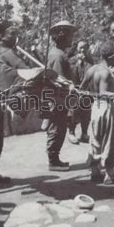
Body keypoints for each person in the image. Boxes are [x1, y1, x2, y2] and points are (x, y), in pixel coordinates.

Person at [0, 20, 28, 185]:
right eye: (12, 33)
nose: (15, 37)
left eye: (16, 33)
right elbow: (24, 70)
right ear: (1, 36)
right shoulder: (5, 53)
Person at [80, 40, 114, 184]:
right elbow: (103, 92)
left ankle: (95, 171)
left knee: (96, 140)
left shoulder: (92, 69)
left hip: (95, 109)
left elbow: (81, 89)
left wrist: (90, 95)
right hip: (106, 108)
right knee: (110, 141)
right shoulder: (105, 73)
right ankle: (109, 174)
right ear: (111, 56)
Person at [45, 20, 77, 171]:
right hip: (57, 98)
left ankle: (55, 158)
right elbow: (58, 79)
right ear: (62, 36)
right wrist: (69, 87)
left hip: (59, 97)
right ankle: (53, 160)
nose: (72, 39)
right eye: (70, 36)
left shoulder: (59, 53)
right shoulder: (57, 56)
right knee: (57, 128)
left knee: (59, 127)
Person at [68, 40, 92, 144]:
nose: (82, 50)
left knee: (86, 112)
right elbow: (70, 74)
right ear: (77, 48)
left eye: (84, 47)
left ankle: (84, 133)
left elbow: (91, 73)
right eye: (80, 47)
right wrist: (77, 63)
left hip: (86, 91)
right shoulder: (72, 60)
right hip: (75, 90)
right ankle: (71, 132)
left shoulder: (90, 61)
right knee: (74, 111)